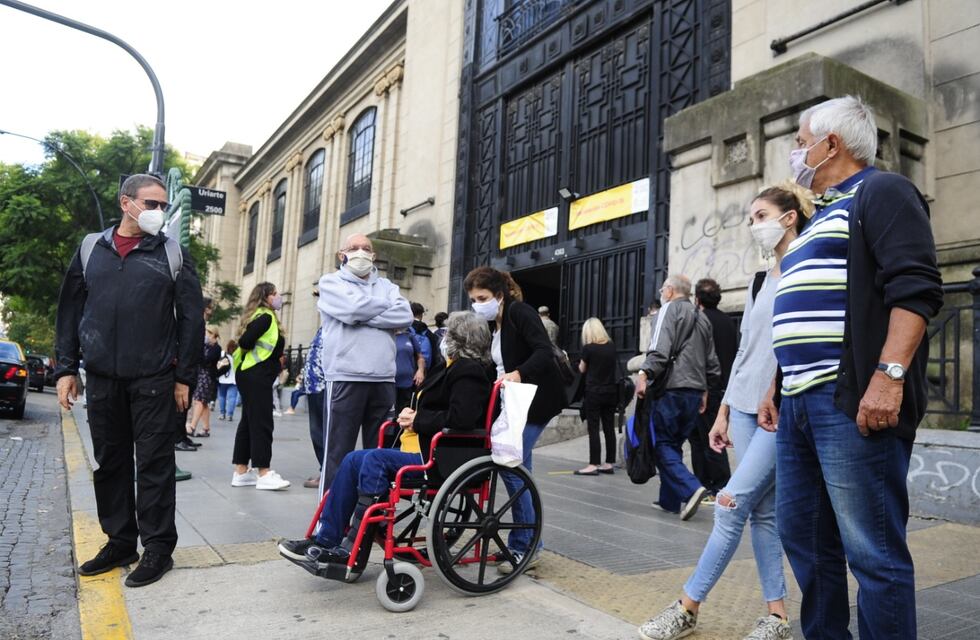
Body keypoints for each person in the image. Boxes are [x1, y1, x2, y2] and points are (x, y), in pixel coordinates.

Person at [760, 96, 943, 639]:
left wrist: (888, 379)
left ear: (830, 144)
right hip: (798, 405)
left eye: (799, 142)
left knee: (873, 550)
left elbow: (916, 290)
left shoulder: (882, 191)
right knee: (807, 542)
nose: (797, 153)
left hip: (848, 402)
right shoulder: (820, 217)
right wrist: (777, 383)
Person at [637, 183, 811, 640]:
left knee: (730, 506)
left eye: (760, 215)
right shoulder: (759, 278)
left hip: (782, 407)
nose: (753, 225)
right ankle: (776, 616)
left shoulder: (807, 267)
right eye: (752, 217)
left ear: (789, 217)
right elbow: (747, 349)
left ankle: (687, 606)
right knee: (763, 513)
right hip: (745, 405)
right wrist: (724, 412)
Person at [54, 173, 204, 587]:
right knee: (111, 464)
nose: (158, 212)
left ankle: (158, 549)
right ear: (126, 203)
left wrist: (183, 378)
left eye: (162, 206)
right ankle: (120, 542)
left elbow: (192, 319)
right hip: (102, 379)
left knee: (155, 466)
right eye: (151, 204)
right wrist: (66, 368)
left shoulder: (171, 253)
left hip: (155, 379)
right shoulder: (91, 249)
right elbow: (68, 311)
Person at [277, 311, 495, 566]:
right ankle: (325, 538)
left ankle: (352, 549)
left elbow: (462, 419)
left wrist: (418, 419)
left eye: (448, 333)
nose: (443, 338)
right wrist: (412, 413)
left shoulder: (469, 372)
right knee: (352, 459)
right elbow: (439, 408)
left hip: (439, 457)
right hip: (420, 447)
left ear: (460, 338)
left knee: (375, 461)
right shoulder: (448, 368)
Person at [464, 267, 564, 573]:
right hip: (514, 402)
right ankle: (529, 542)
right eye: (473, 299)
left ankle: (525, 546)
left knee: (511, 467)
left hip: (535, 401)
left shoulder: (520, 313)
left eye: (481, 298)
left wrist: (519, 373)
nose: (477, 304)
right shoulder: (497, 323)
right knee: (521, 469)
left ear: (498, 294)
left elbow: (543, 352)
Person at [317, 233, 413, 491]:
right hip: (345, 376)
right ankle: (330, 521)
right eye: (354, 248)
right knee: (338, 453)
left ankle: (374, 521)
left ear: (374, 255)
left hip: (383, 379)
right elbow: (352, 311)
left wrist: (361, 313)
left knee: (379, 455)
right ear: (342, 255)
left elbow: (404, 314)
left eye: (366, 248)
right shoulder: (330, 283)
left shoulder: (387, 286)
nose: (361, 252)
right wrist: (380, 310)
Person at [636, 274, 720, 521]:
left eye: (663, 289)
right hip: (695, 392)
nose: (662, 293)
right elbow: (712, 362)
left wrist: (644, 373)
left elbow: (659, 349)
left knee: (660, 444)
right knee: (674, 444)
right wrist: (705, 389)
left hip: (671, 388)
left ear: (670, 291)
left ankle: (692, 489)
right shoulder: (702, 318)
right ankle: (669, 501)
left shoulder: (668, 310)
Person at [231, 282, 290, 490]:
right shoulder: (265, 317)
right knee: (262, 422)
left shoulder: (261, 316)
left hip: (250, 374)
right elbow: (246, 342)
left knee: (248, 421)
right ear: (266, 297)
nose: (278, 296)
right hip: (257, 375)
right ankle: (264, 472)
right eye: (274, 293)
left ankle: (241, 471)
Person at [688, 279, 736, 500]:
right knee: (704, 436)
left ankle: (716, 484)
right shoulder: (727, 321)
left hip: (705, 388)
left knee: (704, 438)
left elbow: (699, 357)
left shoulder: (699, 321)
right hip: (723, 386)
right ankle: (708, 484)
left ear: (697, 299)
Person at [575, 318, 618, 476]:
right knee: (608, 428)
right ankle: (609, 463)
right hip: (611, 391)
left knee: (593, 428)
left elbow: (582, 369)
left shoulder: (588, 348)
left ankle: (593, 464)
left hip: (594, 392)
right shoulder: (611, 347)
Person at [188, 326, 221, 437]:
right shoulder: (204, 346)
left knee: (199, 401)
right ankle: (206, 428)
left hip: (207, 377)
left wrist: (199, 354)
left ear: (213, 334)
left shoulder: (216, 348)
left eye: (207, 333)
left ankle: (192, 426)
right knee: (204, 403)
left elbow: (206, 359)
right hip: (200, 375)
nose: (205, 336)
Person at [394, 328, 425, 413]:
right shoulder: (386, 335)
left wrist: (420, 371)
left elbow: (420, 357)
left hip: (408, 383)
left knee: (405, 412)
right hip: (390, 382)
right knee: (391, 414)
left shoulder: (409, 336)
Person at [216, 339, 239, 422]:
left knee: (222, 396)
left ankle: (222, 414)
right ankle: (230, 415)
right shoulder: (238, 356)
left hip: (223, 379)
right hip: (234, 380)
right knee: (232, 397)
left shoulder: (223, 354)